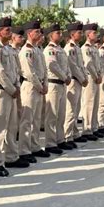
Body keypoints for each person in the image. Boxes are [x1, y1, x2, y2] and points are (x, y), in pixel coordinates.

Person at [0, 17, 29, 177]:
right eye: (7, 30)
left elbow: (16, 71)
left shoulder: (9, 50)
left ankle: (11, 157)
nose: (10, 32)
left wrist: (16, 88)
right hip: (1, 91)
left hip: (12, 91)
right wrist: (12, 89)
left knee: (12, 125)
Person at [18, 19, 49, 162]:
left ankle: (35, 146)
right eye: (37, 31)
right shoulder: (26, 51)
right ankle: (24, 150)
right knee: (27, 120)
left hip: (40, 87)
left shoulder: (38, 50)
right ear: (30, 33)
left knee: (36, 119)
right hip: (30, 87)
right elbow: (29, 73)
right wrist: (40, 85)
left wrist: (46, 83)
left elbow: (44, 69)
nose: (40, 33)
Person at [43, 24, 73, 152]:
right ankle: (50, 143)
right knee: (52, 115)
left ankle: (60, 139)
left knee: (61, 114)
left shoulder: (61, 49)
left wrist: (68, 76)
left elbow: (66, 66)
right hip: (53, 84)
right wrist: (64, 77)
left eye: (60, 33)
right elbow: (52, 65)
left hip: (62, 84)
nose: (60, 35)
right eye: (58, 33)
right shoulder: (50, 49)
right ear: (51, 35)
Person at [64, 22, 88, 145]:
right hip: (73, 80)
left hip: (78, 80)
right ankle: (67, 135)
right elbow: (72, 66)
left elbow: (81, 65)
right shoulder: (69, 48)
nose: (82, 34)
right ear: (72, 34)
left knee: (76, 108)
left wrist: (84, 77)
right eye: (79, 32)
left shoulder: (77, 48)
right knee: (71, 109)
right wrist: (82, 78)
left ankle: (74, 133)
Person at [81, 23, 103, 141]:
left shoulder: (94, 48)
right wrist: (96, 75)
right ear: (88, 35)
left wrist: (100, 75)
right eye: (94, 33)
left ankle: (94, 127)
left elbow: (99, 64)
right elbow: (88, 63)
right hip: (90, 77)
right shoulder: (85, 48)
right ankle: (87, 129)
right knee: (89, 103)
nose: (96, 34)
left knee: (95, 104)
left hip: (97, 77)